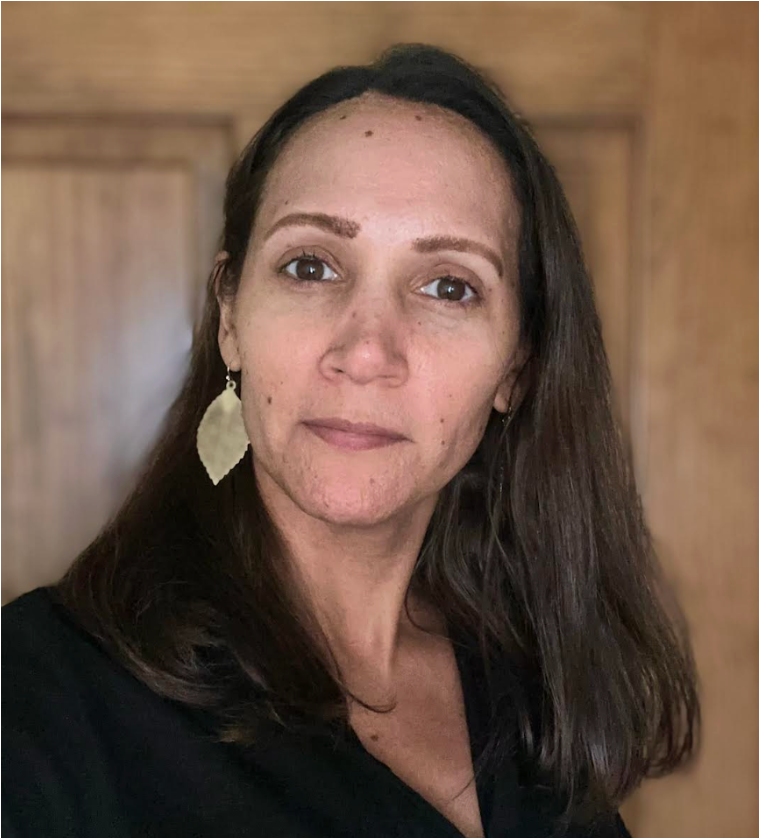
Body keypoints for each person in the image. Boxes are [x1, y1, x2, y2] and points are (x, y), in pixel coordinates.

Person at [2, 44, 700, 838]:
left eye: (448, 286)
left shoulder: (534, 683)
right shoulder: (36, 700)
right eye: (311, 267)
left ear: (516, 367)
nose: (366, 350)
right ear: (231, 318)